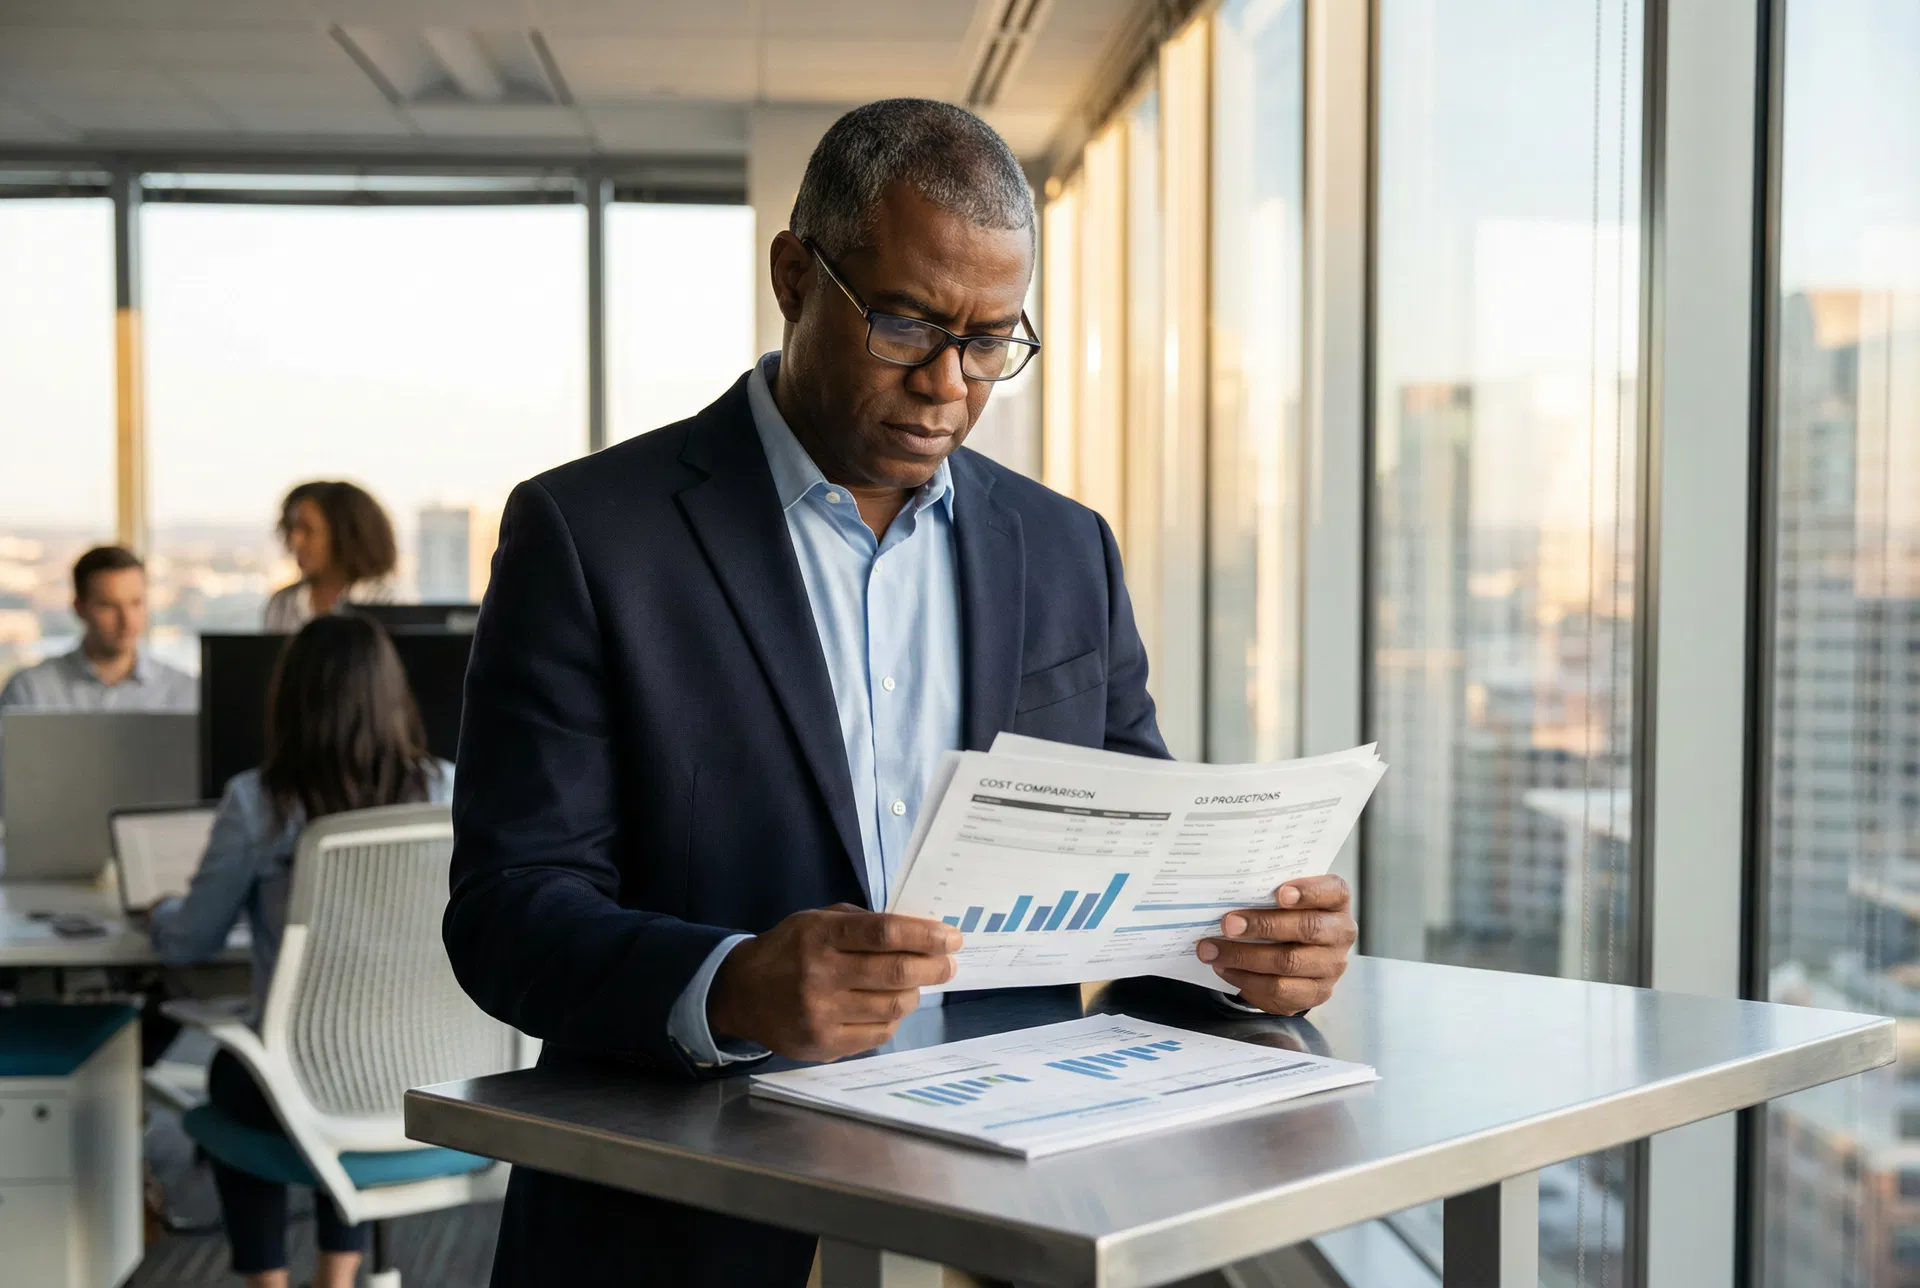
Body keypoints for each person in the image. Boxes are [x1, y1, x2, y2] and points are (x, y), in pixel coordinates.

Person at [444, 99, 1358, 1286]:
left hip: (1009, 1215)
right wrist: (729, 983)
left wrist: (1246, 949)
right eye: (906, 324)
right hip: (688, 1222)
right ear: (792, 276)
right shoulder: (589, 534)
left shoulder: (1063, 547)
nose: (948, 384)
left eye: (991, 341)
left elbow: (1141, 882)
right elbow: (509, 906)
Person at [149, 614, 452, 1288]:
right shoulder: (449, 791)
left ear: (289, 700)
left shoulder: (258, 803)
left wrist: (160, 915)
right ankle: (337, 1277)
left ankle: (269, 1283)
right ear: (391, 695)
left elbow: (193, 941)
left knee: (242, 1071)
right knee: (346, 1058)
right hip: (420, 1076)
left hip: (304, 1085)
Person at [0, 545, 196, 811]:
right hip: (55, 839)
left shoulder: (185, 691)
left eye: (136, 603)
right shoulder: (30, 691)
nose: (127, 620)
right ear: (80, 608)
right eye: (108, 606)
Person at [261, 480, 397, 631]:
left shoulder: (390, 601)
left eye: (307, 529)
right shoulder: (282, 604)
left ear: (345, 535)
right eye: (291, 528)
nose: (294, 541)